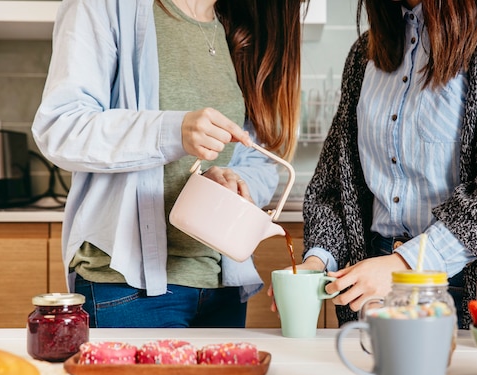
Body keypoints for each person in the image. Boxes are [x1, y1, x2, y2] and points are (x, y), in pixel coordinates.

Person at [32, 0, 302, 328]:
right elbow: (60, 128)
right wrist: (174, 131)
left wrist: (233, 180)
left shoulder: (238, 26)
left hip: (220, 288)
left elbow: (255, 155)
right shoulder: (106, 6)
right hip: (128, 292)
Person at [290, 0, 477, 329]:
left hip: (466, 291)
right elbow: (336, 186)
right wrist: (317, 261)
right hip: (373, 287)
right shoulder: (366, 53)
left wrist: (406, 264)